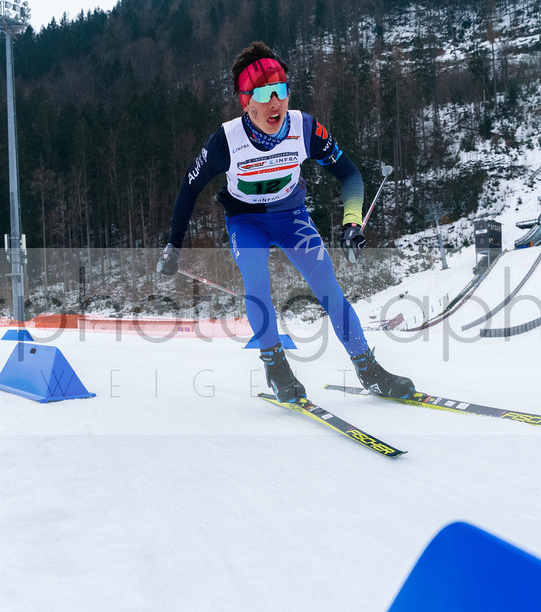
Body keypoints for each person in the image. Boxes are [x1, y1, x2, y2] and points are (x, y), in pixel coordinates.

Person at [156, 41, 414, 402]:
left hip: (291, 217)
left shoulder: (304, 127)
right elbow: (188, 189)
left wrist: (352, 222)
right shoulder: (226, 142)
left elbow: (350, 175)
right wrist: (173, 245)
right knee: (258, 281)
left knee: (329, 287)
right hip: (247, 221)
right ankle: (276, 367)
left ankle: (368, 368)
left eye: (282, 90)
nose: (276, 101)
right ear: (247, 102)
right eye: (264, 93)